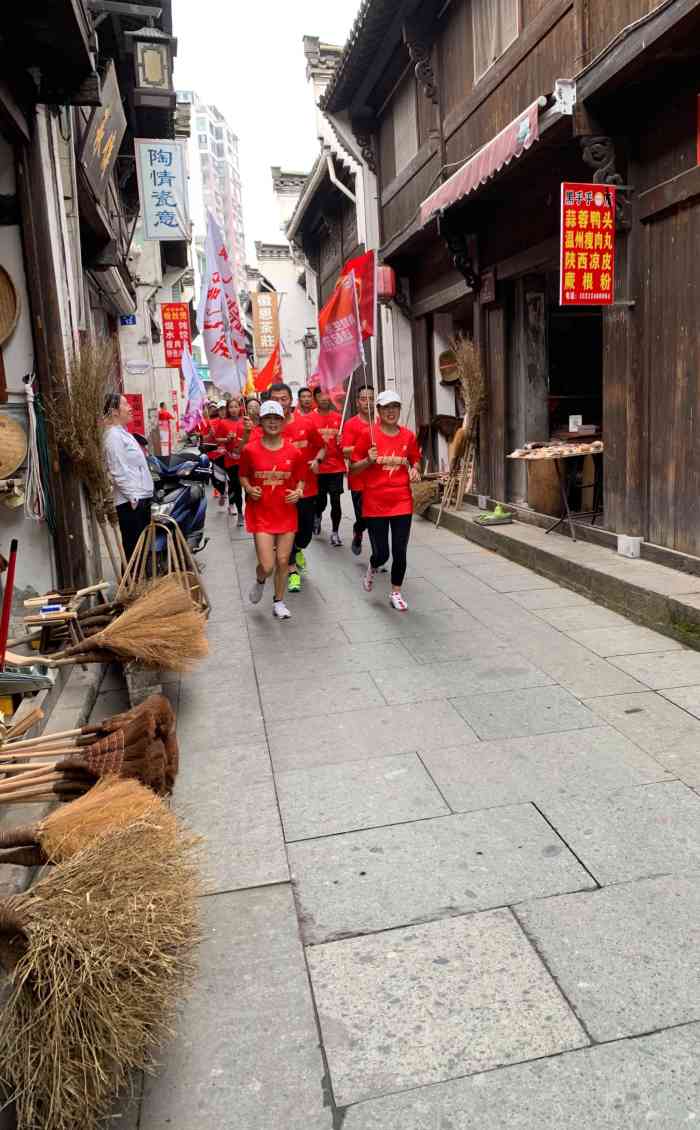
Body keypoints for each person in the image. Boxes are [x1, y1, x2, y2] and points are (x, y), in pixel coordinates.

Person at [350, 389, 421, 612]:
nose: (391, 412)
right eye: (386, 407)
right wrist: (368, 461)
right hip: (375, 502)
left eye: (395, 407)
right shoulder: (368, 435)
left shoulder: (408, 436)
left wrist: (416, 470)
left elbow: (415, 460)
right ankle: (372, 566)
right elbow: (352, 468)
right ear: (378, 410)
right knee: (382, 553)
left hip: (402, 500)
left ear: (399, 409)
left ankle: (396, 592)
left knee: (400, 550)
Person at [239, 400, 306, 620]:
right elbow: (243, 475)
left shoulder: (294, 452)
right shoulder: (250, 450)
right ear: (260, 422)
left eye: (277, 418)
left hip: (286, 512)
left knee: (284, 560)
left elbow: (301, 479)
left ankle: (278, 601)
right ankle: (260, 581)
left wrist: (298, 492)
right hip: (261, 514)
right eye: (268, 418)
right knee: (267, 566)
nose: (273, 423)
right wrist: (249, 489)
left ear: (283, 421)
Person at [268, 382, 325, 593]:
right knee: (287, 531)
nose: (280, 403)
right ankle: (292, 570)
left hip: (306, 488)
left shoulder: (306, 424)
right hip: (280, 492)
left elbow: (321, 447)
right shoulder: (267, 428)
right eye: (275, 399)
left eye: (284, 399)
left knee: (305, 534)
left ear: (291, 400)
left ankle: (299, 548)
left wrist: (317, 461)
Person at [103, 392, 154, 563]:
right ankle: (133, 587)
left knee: (142, 551)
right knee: (135, 554)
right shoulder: (112, 436)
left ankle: (142, 586)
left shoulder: (123, 433)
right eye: (125, 405)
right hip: (130, 502)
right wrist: (133, 498)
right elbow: (117, 469)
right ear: (114, 411)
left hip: (140, 498)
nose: (130, 408)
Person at [341, 385, 375, 556]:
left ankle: (378, 553)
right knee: (364, 516)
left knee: (377, 518)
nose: (368, 402)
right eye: (364, 399)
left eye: (371, 398)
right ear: (357, 402)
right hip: (358, 478)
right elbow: (345, 450)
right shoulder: (350, 424)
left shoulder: (380, 422)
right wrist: (364, 449)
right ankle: (358, 530)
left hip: (377, 479)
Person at [311, 386, 345, 545]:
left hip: (336, 466)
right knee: (320, 500)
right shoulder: (309, 418)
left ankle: (335, 532)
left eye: (327, 394)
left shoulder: (339, 418)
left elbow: (346, 444)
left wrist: (342, 441)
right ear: (316, 398)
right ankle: (317, 514)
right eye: (320, 395)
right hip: (318, 468)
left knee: (336, 501)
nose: (324, 398)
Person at [222, 397, 245, 525]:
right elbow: (218, 439)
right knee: (236, 486)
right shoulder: (223, 422)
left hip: (246, 459)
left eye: (236, 406)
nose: (234, 409)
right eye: (231, 407)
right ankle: (240, 514)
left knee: (247, 488)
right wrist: (227, 439)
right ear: (228, 409)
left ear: (240, 408)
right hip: (231, 460)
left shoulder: (245, 421)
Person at [208, 399, 233, 510]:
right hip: (216, 456)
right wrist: (210, 434)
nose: (223, 412)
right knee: (216, 480)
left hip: (231, 456)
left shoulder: (233, 421)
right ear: (218, 411)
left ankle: (231, 505)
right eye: (221, 409)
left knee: (232, 481)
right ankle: (222, 492)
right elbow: (205, 439)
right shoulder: (212, 423)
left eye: (225, 409)